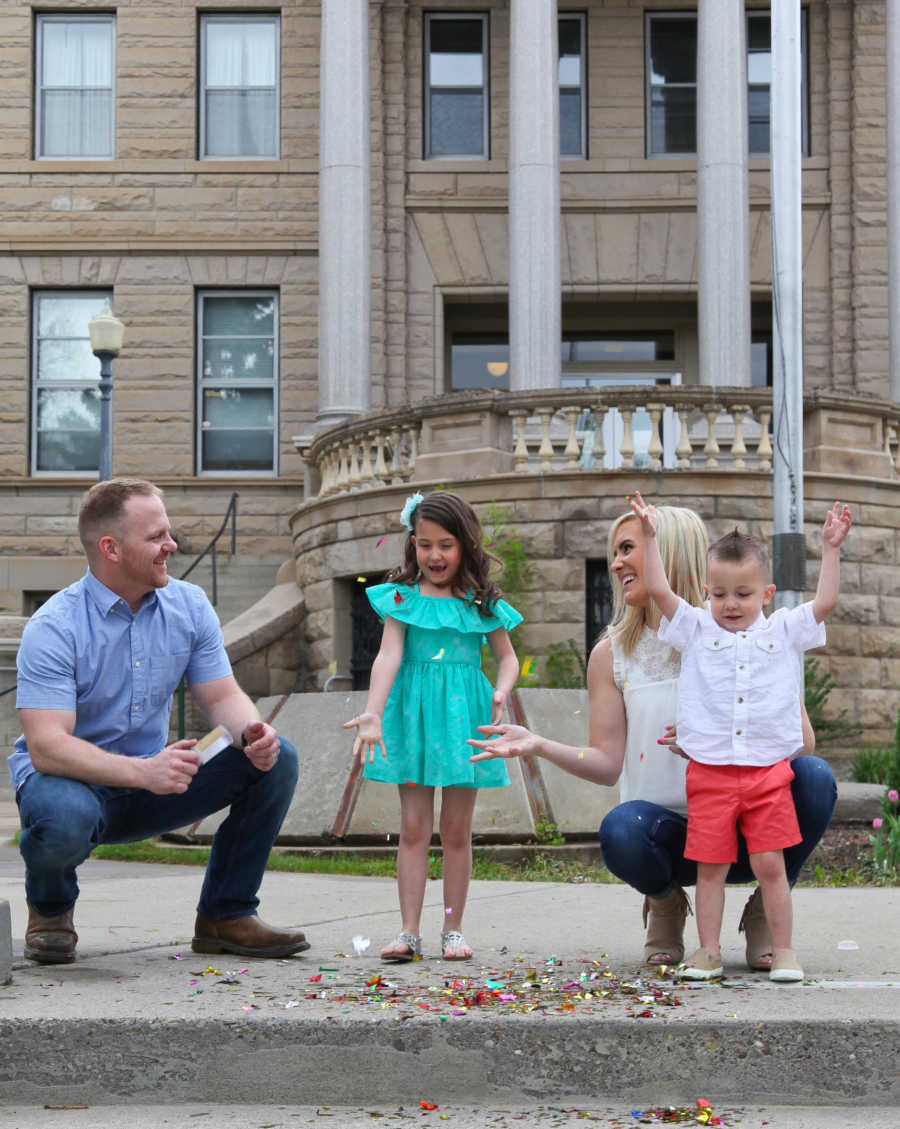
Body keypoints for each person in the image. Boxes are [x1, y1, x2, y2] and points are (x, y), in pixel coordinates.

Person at [468, 498, 837, 972]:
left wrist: (720, 728)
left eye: (628, 547)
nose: (616, 562)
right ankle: (665, 904)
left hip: (753, 819)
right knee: (621, 829)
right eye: (615, 551)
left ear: (671, 551)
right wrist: (538, 743)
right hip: (673, 834)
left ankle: (766, 905)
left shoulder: (743, 635)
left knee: (814, 776)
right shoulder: (611, 654)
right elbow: (605, 764)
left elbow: (800, 743)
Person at [11, 477, 308, 965]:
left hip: (155, 780)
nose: (171, 545)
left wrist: (251, 732)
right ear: (111, 548)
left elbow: (223, 695)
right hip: (71, 785)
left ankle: (225, 915)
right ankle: (50, 908)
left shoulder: (188, 604)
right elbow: (46, 747)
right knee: (64, 817)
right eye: (156, 537)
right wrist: (143, 772)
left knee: (278, 760)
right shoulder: (54, 626)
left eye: (168, 533)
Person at [627, 491, 852, 982]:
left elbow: (826, 602)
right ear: (706, 592)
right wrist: (650, 537)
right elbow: (662, 592)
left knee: (770, 865)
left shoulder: (785, 631)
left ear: (767, 593)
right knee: (710, 867)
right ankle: (707, 951)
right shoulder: (695, 629)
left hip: (768, 773)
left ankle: (785, 950)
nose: (730, 604)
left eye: (743, 594)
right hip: (709, 772)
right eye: (720, 593)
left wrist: (831, 548)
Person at [344, 491, 520, 962]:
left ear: (464, 544)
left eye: (445, 544)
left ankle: (453, 930)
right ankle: (408, 932)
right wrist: (373, 712)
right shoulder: (401, 598)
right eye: (424, 544)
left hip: (466, 717)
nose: (435, 555)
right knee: (414, 826)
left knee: (457, 830)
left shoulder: (480, 601)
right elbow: (388, 656)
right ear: (412, 544)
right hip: (414, 716)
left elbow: (507, 657)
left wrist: (502, 690)